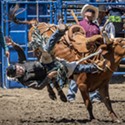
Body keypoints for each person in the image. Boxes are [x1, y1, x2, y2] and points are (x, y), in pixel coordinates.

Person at [6, 30, 105, 91]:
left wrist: (13, 44)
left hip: (44, 62)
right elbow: (39, 86)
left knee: (46, 49)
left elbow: (20, 51)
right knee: (73, 68)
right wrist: (49, 77)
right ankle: (96, 67)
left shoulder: (21, 63)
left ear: (17, 65)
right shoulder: (25, 80)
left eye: (18, 68)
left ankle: (59, 31)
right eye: (18, 72)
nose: (19, 70)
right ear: (17, 76)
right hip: (49, 73)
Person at [67, 4, 102, 102]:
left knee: (92, 74)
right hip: (80, 52)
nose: (91, 12)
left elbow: (99, 40)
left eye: (92, 11)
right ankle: (70, 96)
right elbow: (72, 38)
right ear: (85, 13)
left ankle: (93, 96)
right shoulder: (79, 25)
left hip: (93, 53)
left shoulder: (96, 27)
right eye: (89, 10)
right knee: (77, 73)